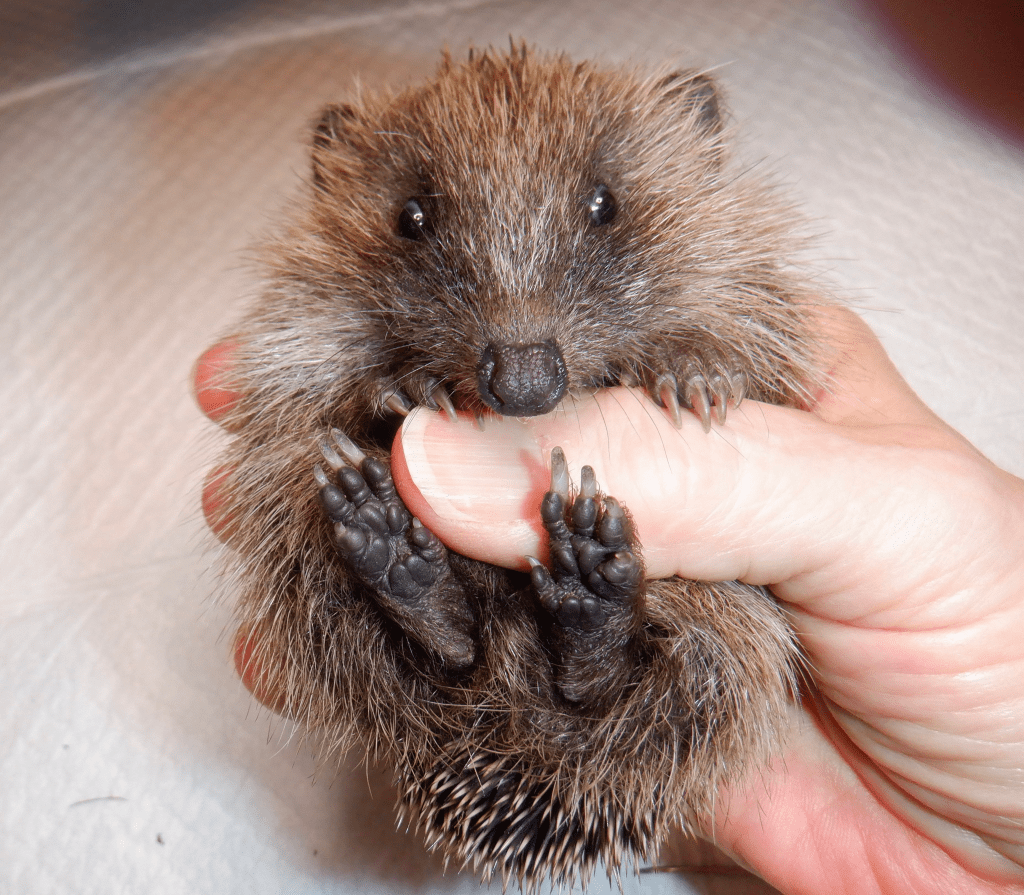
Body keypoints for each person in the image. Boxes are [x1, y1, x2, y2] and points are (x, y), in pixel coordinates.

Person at [194, 307, 1024, 894]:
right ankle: (548, 639)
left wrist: (700, 362)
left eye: (600, 210)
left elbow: (746, 338)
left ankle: (491, 634)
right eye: (420, 225)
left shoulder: (710, 287)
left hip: (647, 686)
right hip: (547, 676)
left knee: (709, 636)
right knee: (311, 527)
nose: (517, 349)